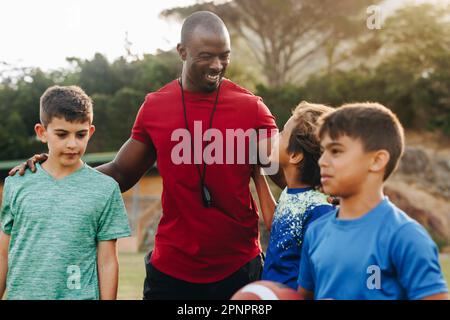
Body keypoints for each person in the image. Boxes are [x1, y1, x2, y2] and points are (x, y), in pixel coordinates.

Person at [10, 11, 283, 300]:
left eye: (224, 56)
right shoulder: (155, 107)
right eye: (206, 56)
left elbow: (288, 174)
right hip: (171, 272)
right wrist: (55, 173)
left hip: (238, 269)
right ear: (182, 52)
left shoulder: (251, 109)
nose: (217, 65)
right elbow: (120, 172)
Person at [297, 102, 449, 300]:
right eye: (323, 150)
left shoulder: (405, 236)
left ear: (377, 160)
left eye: (336, 151)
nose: (322, 161)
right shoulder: (316, 232)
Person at [0, 86, 131, 300]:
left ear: (90, 132)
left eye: (80, 135)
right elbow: (3, 255)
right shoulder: (16, 184)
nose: (72, 144)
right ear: (42, 133)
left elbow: (107, 261)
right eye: (62, 134)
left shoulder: (105, 190)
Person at [252, 101, 335, 290]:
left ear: (295, 155)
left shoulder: (320, 209)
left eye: (281, 134)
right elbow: (276, 225)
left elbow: (322, 272)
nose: (275, 138)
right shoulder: (292, 192)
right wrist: (257, 175)